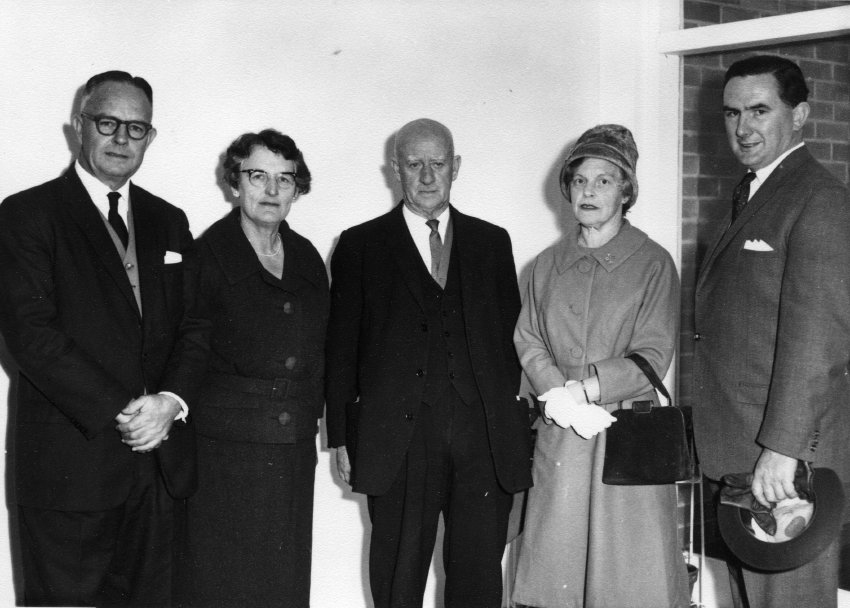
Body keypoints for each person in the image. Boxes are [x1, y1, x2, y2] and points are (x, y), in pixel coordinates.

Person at [0, 71, 202, 606]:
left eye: (136, 129)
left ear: (150, 138)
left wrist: (170, 403)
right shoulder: (25, 215)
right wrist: (128, 411)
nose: (120, 139)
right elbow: (31, 335)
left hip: (160, 469)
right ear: (78, 127)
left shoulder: (170, 220)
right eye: (107, 123)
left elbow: (196, 326)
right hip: (70, 471)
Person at [325, 118, 533, 608]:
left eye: (437, 164)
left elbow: (511, 344)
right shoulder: (360, 245)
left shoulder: (492, 242)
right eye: (413, 164)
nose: (426, 176)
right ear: (394, 170)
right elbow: (339, 350)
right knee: (398, 579)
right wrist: (339, 435)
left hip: (480, 438)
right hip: (398, 439)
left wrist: (507, 421)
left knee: (479, 578)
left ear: (455, 167)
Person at [693, 55, 850, 608]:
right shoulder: (752, 193)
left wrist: (783, 450)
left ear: (801, 114)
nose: (743, 128)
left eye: (760, 110)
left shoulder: (821, 199)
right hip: (741, 451)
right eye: (732, 112)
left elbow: (819, 342)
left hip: (783, 465)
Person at [511, 124, 689, 608]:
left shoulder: (653, 263)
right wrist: (558, 395)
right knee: (555, 573)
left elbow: (653, 353)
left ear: (626, 190)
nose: (588, 191)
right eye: (580, 180)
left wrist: (586, 391)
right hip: (562, 430)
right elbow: (528, 339)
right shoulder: (545, 266)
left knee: (629, 577)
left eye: (604, 181)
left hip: (623, 431)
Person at [180, 129, 328, 607]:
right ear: (234, 183)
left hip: (291, 447)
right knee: (226, 584)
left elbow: (322, 349)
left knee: (284, 585)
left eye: (285, 180)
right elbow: (187, 352)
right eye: (258, 176)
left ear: (297, 189)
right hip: (226, 451)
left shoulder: (306, 256)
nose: (271, 190)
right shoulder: (206, 256)